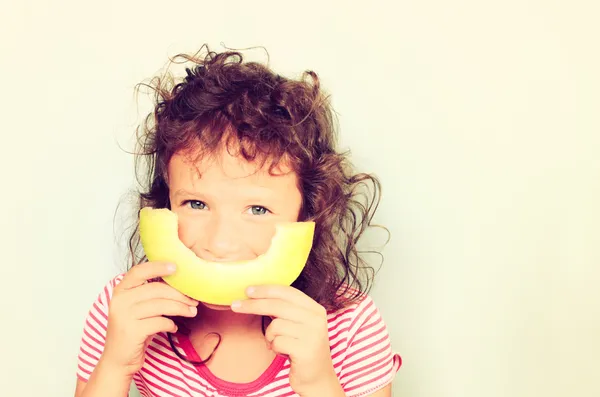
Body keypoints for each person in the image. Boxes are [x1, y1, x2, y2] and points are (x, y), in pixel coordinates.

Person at [74, 45, 401, 397]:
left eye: (257, 210)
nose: (220, 243)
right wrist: (115, 364)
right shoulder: (125, 308)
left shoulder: (352, 326)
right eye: (196, 203)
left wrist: (318, 382)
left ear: (307, 214)